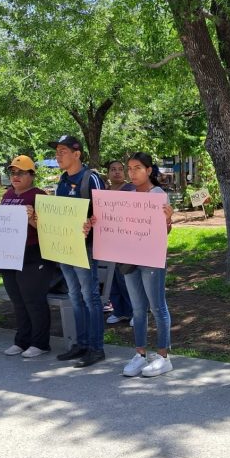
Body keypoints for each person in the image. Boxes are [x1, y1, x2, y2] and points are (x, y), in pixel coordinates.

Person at [86, 153, 175, 376]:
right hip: (129, 259)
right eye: (130, 168)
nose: (132, 173)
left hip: (151, 259)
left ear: (148, 170)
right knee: (137, 308)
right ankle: (140, 354)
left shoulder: (158, 195)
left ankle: (163, 356)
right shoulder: (127, 194)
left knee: (157, 307)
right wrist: (97, 221)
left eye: (137, 168)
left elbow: (165, 232)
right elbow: (114, 223)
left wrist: (167, 220)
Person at [46, 135, 107, 366]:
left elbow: (105, 213)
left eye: (62, 151)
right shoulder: (62, 180)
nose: (58, 156)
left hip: (85, 248)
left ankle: (96, 348)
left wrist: (92, 224)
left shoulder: (92, 179)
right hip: (65, 248)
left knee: (90, 296)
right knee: (74, 296)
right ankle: (81, 344)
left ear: (77, 154)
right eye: (57, 151)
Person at [1, 155, 57, 358]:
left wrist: (32, 219)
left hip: (34, 254)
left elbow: (50, 230)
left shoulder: (39, 196)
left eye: (21, 172)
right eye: (13, 172)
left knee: (33, 299)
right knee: (17, 300)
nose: (15, 176)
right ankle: (21, 340)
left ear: (32, 175)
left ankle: (40, 343)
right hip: (9, 254)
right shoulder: (7, 195)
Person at [103, 160, 133, 324]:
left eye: (120, 169)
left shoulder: (130, 189)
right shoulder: (104, 192)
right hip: (109, 241)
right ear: (108, 173)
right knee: (112, 278)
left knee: (125, 277)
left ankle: (134, 311)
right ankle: (120, 310)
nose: (117, 172)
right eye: (113, 169)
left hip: (125, 240)